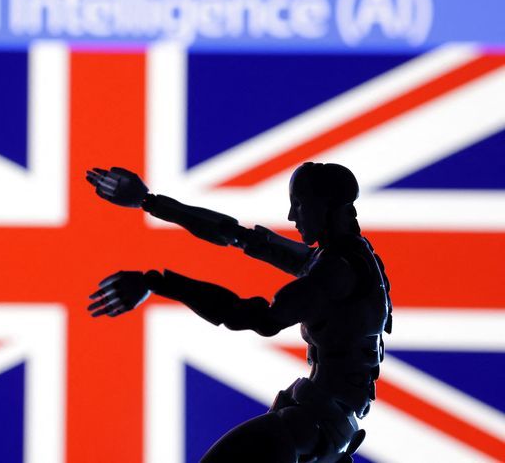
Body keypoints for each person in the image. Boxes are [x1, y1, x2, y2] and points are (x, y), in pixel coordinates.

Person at [86, 163, 392, 463]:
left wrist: (157, 283)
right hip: (319, 420)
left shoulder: (335, 272)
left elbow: (254, 317)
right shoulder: (347, 257)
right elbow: (237, 236)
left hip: (315, 425)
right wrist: (149, 201)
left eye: (299, 205)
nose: (291, 216)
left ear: (325, 206)